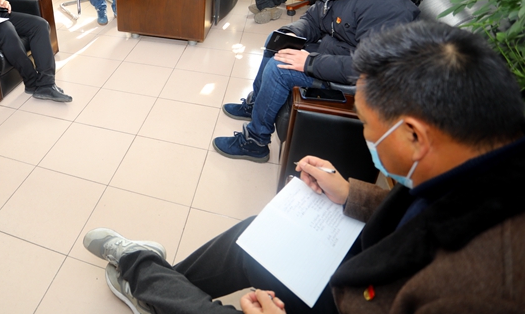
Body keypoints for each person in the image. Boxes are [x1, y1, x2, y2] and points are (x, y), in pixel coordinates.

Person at [82, 20, 525, 313]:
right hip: (366, 272)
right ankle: (157, 286)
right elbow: (421, 215)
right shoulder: (477, 162)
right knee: (257, 234)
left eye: (367, 125)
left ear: (414, 136)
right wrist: (351, 194)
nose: (366, 137)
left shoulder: (486, 290)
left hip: (354, 298)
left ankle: (140, 267)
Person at [214, 0, 419, 163]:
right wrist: (291, 33)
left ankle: (255, 141)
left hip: (360, 79)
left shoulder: (383, 3)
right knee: (277, 40)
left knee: (280, 69)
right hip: (338, 51)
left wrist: (309, 63)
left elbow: (368, 68)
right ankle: (257, 103)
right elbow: (314, 19)